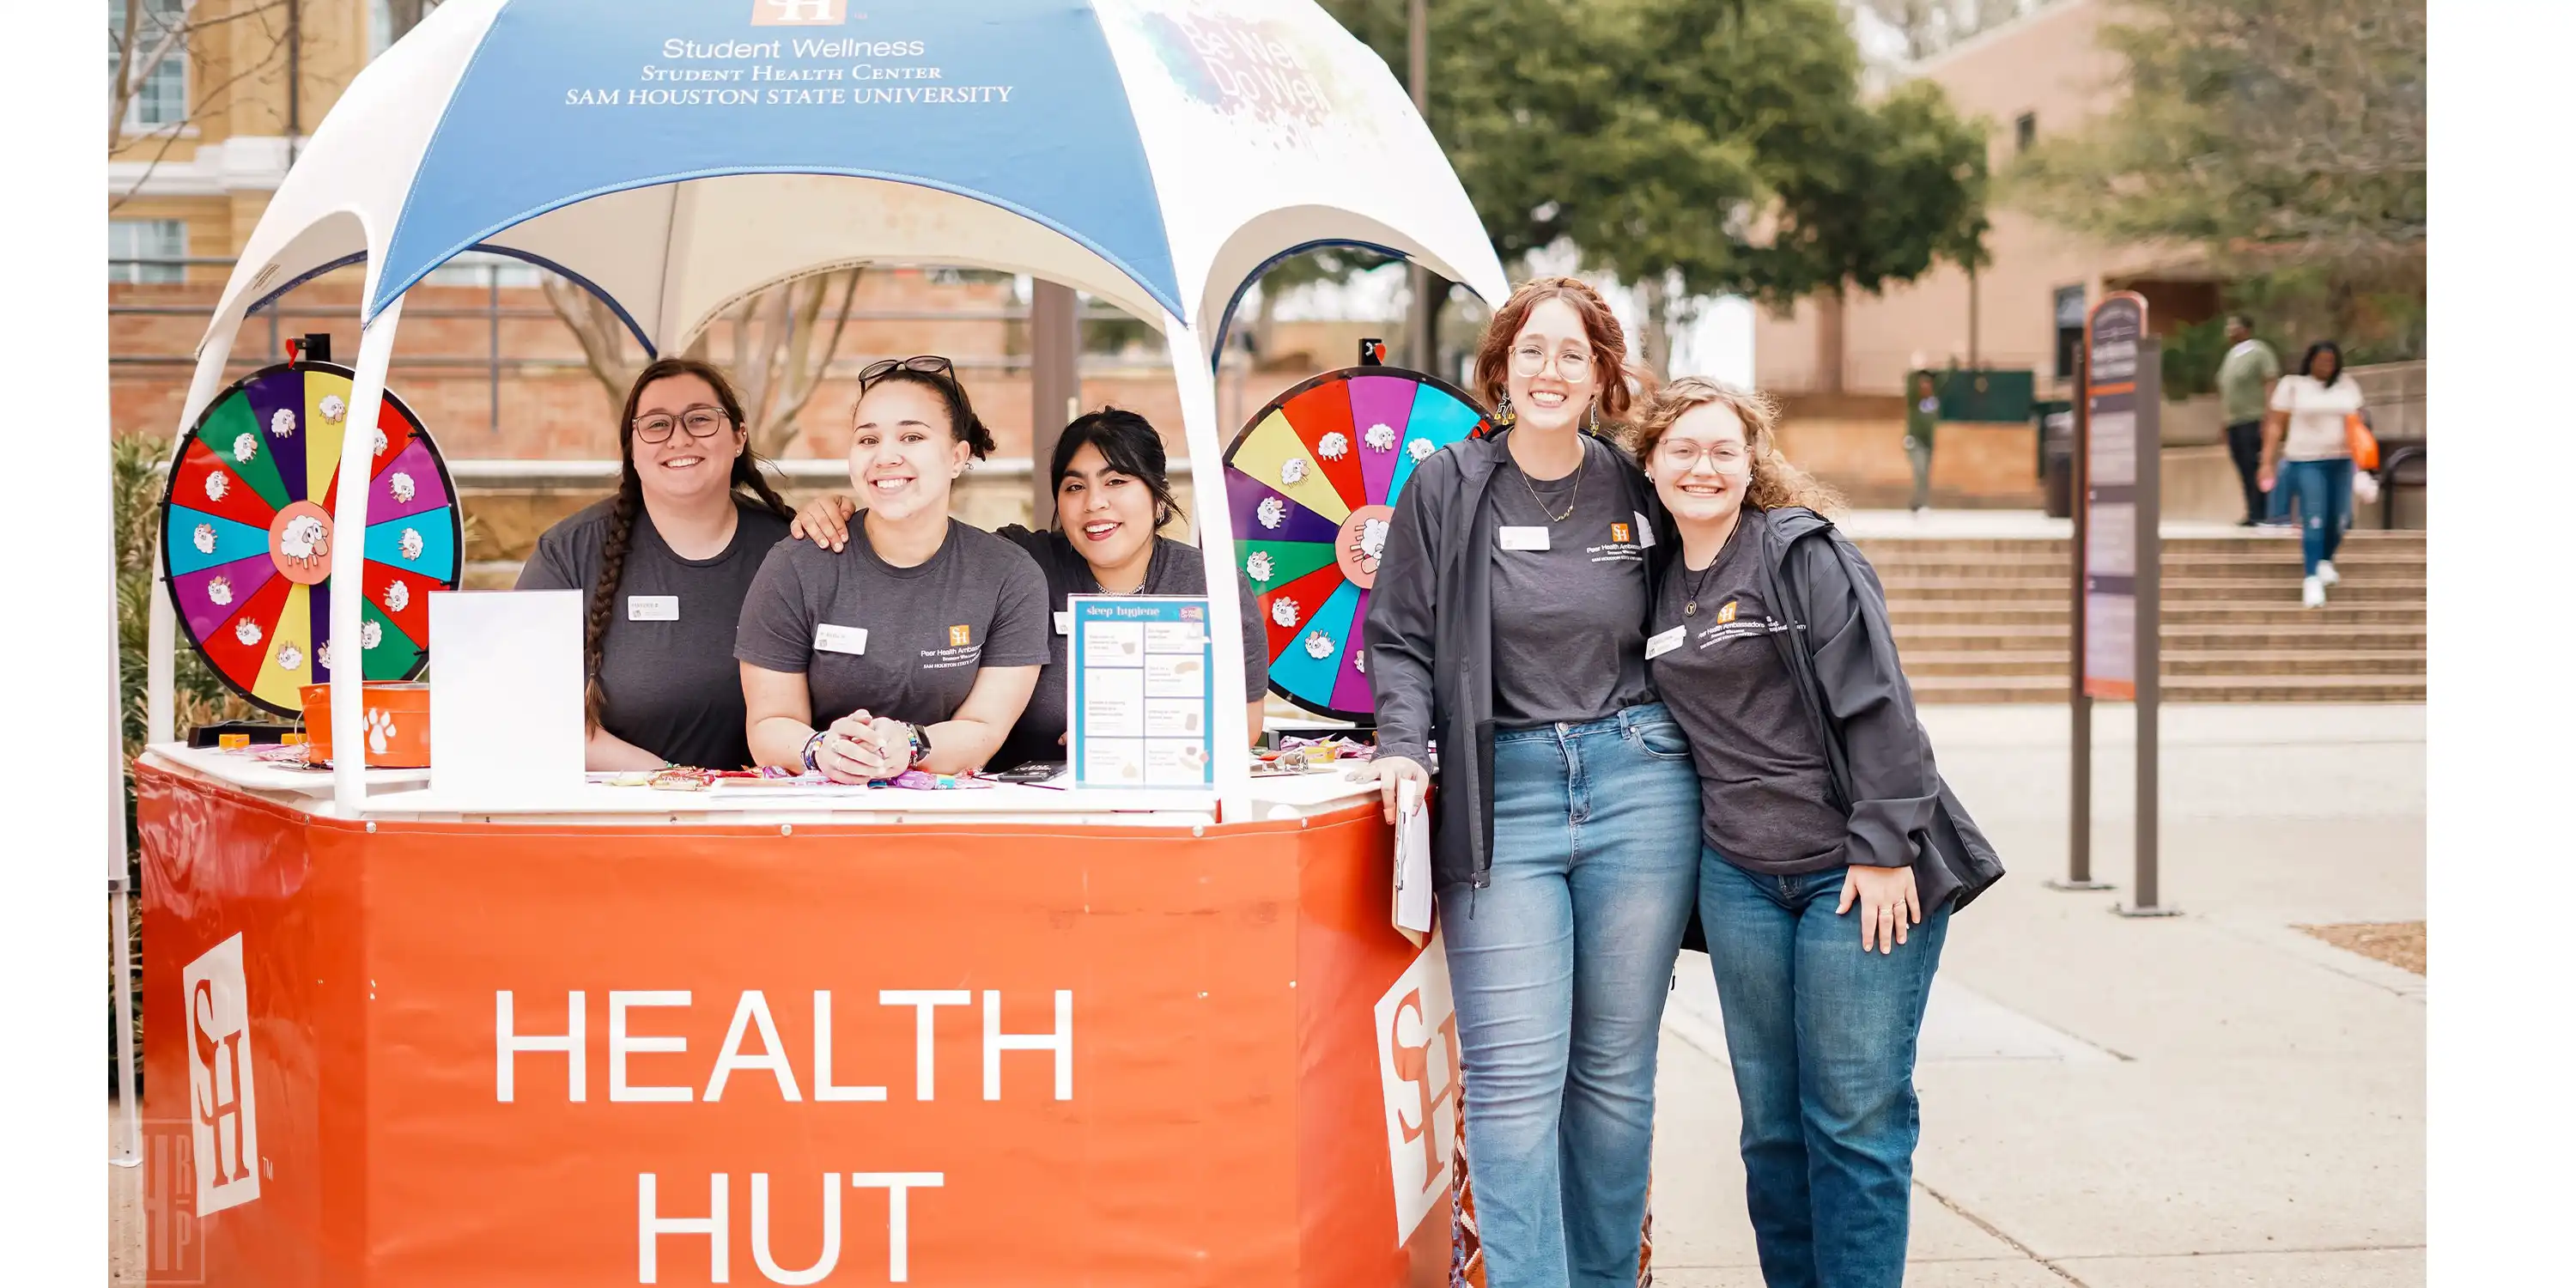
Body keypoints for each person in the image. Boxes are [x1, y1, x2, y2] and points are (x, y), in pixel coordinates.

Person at [1354, 276, 1699, 1288]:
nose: (1552, 371)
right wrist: (1402, 746)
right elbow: (1402, 638)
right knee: (1511, 1082)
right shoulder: (1448, 485)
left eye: (1575, 354)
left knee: (1612, 1079)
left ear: (1603, 377)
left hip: (1640, 781)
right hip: (1500, 790)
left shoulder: (1638, 486)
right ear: (1500, 369)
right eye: (1533, 351)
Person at [1630, 376, 2002, 1288]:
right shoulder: (1650, 578)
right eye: (1681, 449)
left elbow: (1882, 708)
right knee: (1773, 1126)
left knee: (1854, 1118)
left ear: (1753, 460)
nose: (1702, 467)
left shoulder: (1801, 555)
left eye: (1723, 449)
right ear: (1649, 464)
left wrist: (1883, 850)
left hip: (1857, 873)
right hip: (1741, 878)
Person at [789, 405, 1267, 771]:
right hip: (1019, 810)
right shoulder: (1021, 564)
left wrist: (1132, 739)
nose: (1095, 503)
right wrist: (847, 509)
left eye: (1117, 481)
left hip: (1165, 809)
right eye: (1074, 487)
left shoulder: (1212, 587)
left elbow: (1243, 729)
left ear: (1156, 490)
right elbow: (927, 547)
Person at [735, 355, 1051, 781]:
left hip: (947, 823)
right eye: (868, 440)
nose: (885, 456)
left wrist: (910, 744)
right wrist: (820, 751)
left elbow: (984, 728)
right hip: (818, 818)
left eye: (911, 437)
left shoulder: (1009, 576)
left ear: (958, 457)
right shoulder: (798, 564)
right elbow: (769, 723)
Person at [515, 357, 794, 770]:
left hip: (771, 816)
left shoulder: (793, 546)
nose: (679, 439)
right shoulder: (568, 553)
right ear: (632, 447)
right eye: (657, 424)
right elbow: (527, 708)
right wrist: (675, 786)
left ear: (739, 437)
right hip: (624, 814)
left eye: (700, 419)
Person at [2259, 341, 2365, 609]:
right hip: (2306, 460)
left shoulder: (2347, 385)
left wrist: (2365, 463)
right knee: (2314, 517)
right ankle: (2310, 578)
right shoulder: (2293, 385)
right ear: (2311, 360)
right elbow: (2275, 425)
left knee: (2342, 518)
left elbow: (2359, 424)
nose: (2326, 365)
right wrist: (2267, 461)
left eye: (2331, 361)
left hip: (2341, 460)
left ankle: (2325, 560)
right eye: (2321, 360)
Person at [2216, 313, 2283, 526]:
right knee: (2243, 467)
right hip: (2234, 422)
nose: (2230, 330)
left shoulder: (2259, 351)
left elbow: (2270, 380)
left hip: (2253, 419)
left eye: (2234, 326)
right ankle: (2252, 511)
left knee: (2256, 466)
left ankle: (2264, 512)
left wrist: (2270, 416)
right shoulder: (2231, 356)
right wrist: (2224, 423)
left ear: (2246, 329)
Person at [1903, 371, 1939, 514]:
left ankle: (1919, 502)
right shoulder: (1914, 402)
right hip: (1915, 442)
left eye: (1927, 383)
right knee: (1920, 470)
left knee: (1925, 474)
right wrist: (1917, 370)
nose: (1925, 386)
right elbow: (1910, 386)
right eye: (1922, 384)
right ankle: (1920, 503)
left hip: (1927, 444)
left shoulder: (1932, 403)